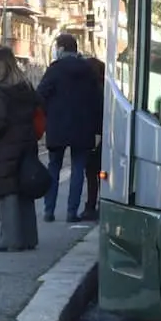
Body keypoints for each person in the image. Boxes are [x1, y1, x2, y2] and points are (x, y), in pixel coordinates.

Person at [36, 34, 103, 222]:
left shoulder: (55, 69)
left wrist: (49, 112)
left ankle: (49, 211)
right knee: (78, 169)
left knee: (54, 168)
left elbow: (40, 94)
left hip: (57, 126)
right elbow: (97, 101)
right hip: (84, 127)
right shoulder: (88, 70)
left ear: (62, 49)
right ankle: (71, 212)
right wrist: (97, 129)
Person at [0, 46, 42, 251]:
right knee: (25, 190)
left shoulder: (0, 90)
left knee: (8, 193)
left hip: (6, 146)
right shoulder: (25, 86)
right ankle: (28, 238)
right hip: (27, 143)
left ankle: (10, 240)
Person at [83, 57, 106, 222]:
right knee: (100, 173)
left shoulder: (87, 90)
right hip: (102, 135)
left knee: (91, 173)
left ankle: (91, 206)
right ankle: (98, 204)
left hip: (92, 135)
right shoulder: (102, 89)